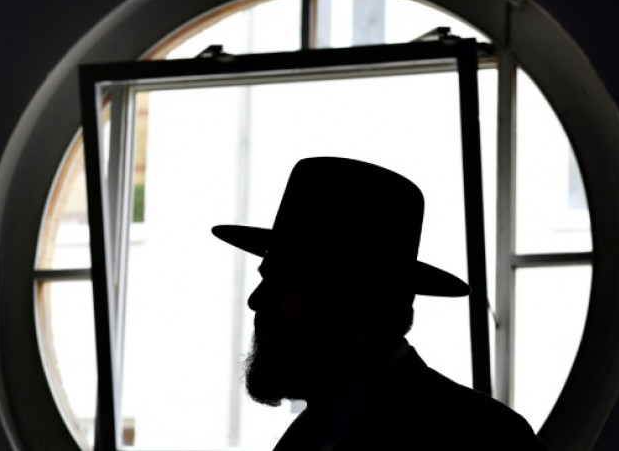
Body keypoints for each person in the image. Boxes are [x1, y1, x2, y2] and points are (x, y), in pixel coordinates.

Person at [213, 156, 545, 451]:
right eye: (267, 278)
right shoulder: (309, 433)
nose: (256, 300)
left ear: (367, 305)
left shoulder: (484, 438)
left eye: (287, 282)